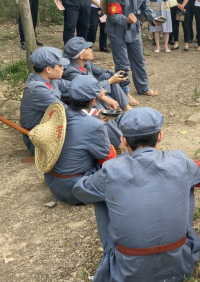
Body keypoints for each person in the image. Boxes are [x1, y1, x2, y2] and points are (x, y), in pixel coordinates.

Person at [73, 107, 200, 282]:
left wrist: (94, 173)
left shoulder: (110, 170)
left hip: (127, 277)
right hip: (181, 268)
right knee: (190, 182)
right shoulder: (181, 161)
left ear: (123, 140)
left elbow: (80, 191)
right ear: (160, 136)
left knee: (99, 194)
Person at [44, 76, 118, 205]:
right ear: (93, 101)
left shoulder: (60, 115)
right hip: (77, 188)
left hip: (54, 182)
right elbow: (108, 159)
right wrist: (98, 125)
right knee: (117, 160)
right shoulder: (95, 125)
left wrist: (94, 121)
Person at [105, 0, 162, 97]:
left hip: (134, 30)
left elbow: (145, 7)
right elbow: (113, 15)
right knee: (122, 63)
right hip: (118, 31)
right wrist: (126, 20)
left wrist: (153, 19)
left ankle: (143, 87)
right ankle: (124, 93)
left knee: (139, 60)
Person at [20, 47, 70, 153]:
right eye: (60, 66)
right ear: (48, 69)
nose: (63, 68)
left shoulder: (49, 78)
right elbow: (64, 111)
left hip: (52, 130)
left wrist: (96, 89)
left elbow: (72, 86)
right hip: (41, 140)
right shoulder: (37, 88)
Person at [63, 37, 130, 110]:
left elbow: (101, 71)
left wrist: (116, 74)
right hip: (84, 98)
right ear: (81, 56)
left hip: (93, 89)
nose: (91, 50)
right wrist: (110, 81)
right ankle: (107, 111)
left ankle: (127, 108)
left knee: (107, 75)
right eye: (87, 49)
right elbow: (87, 88)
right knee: (100, 88)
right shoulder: (71, 72)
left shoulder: (86, 62)